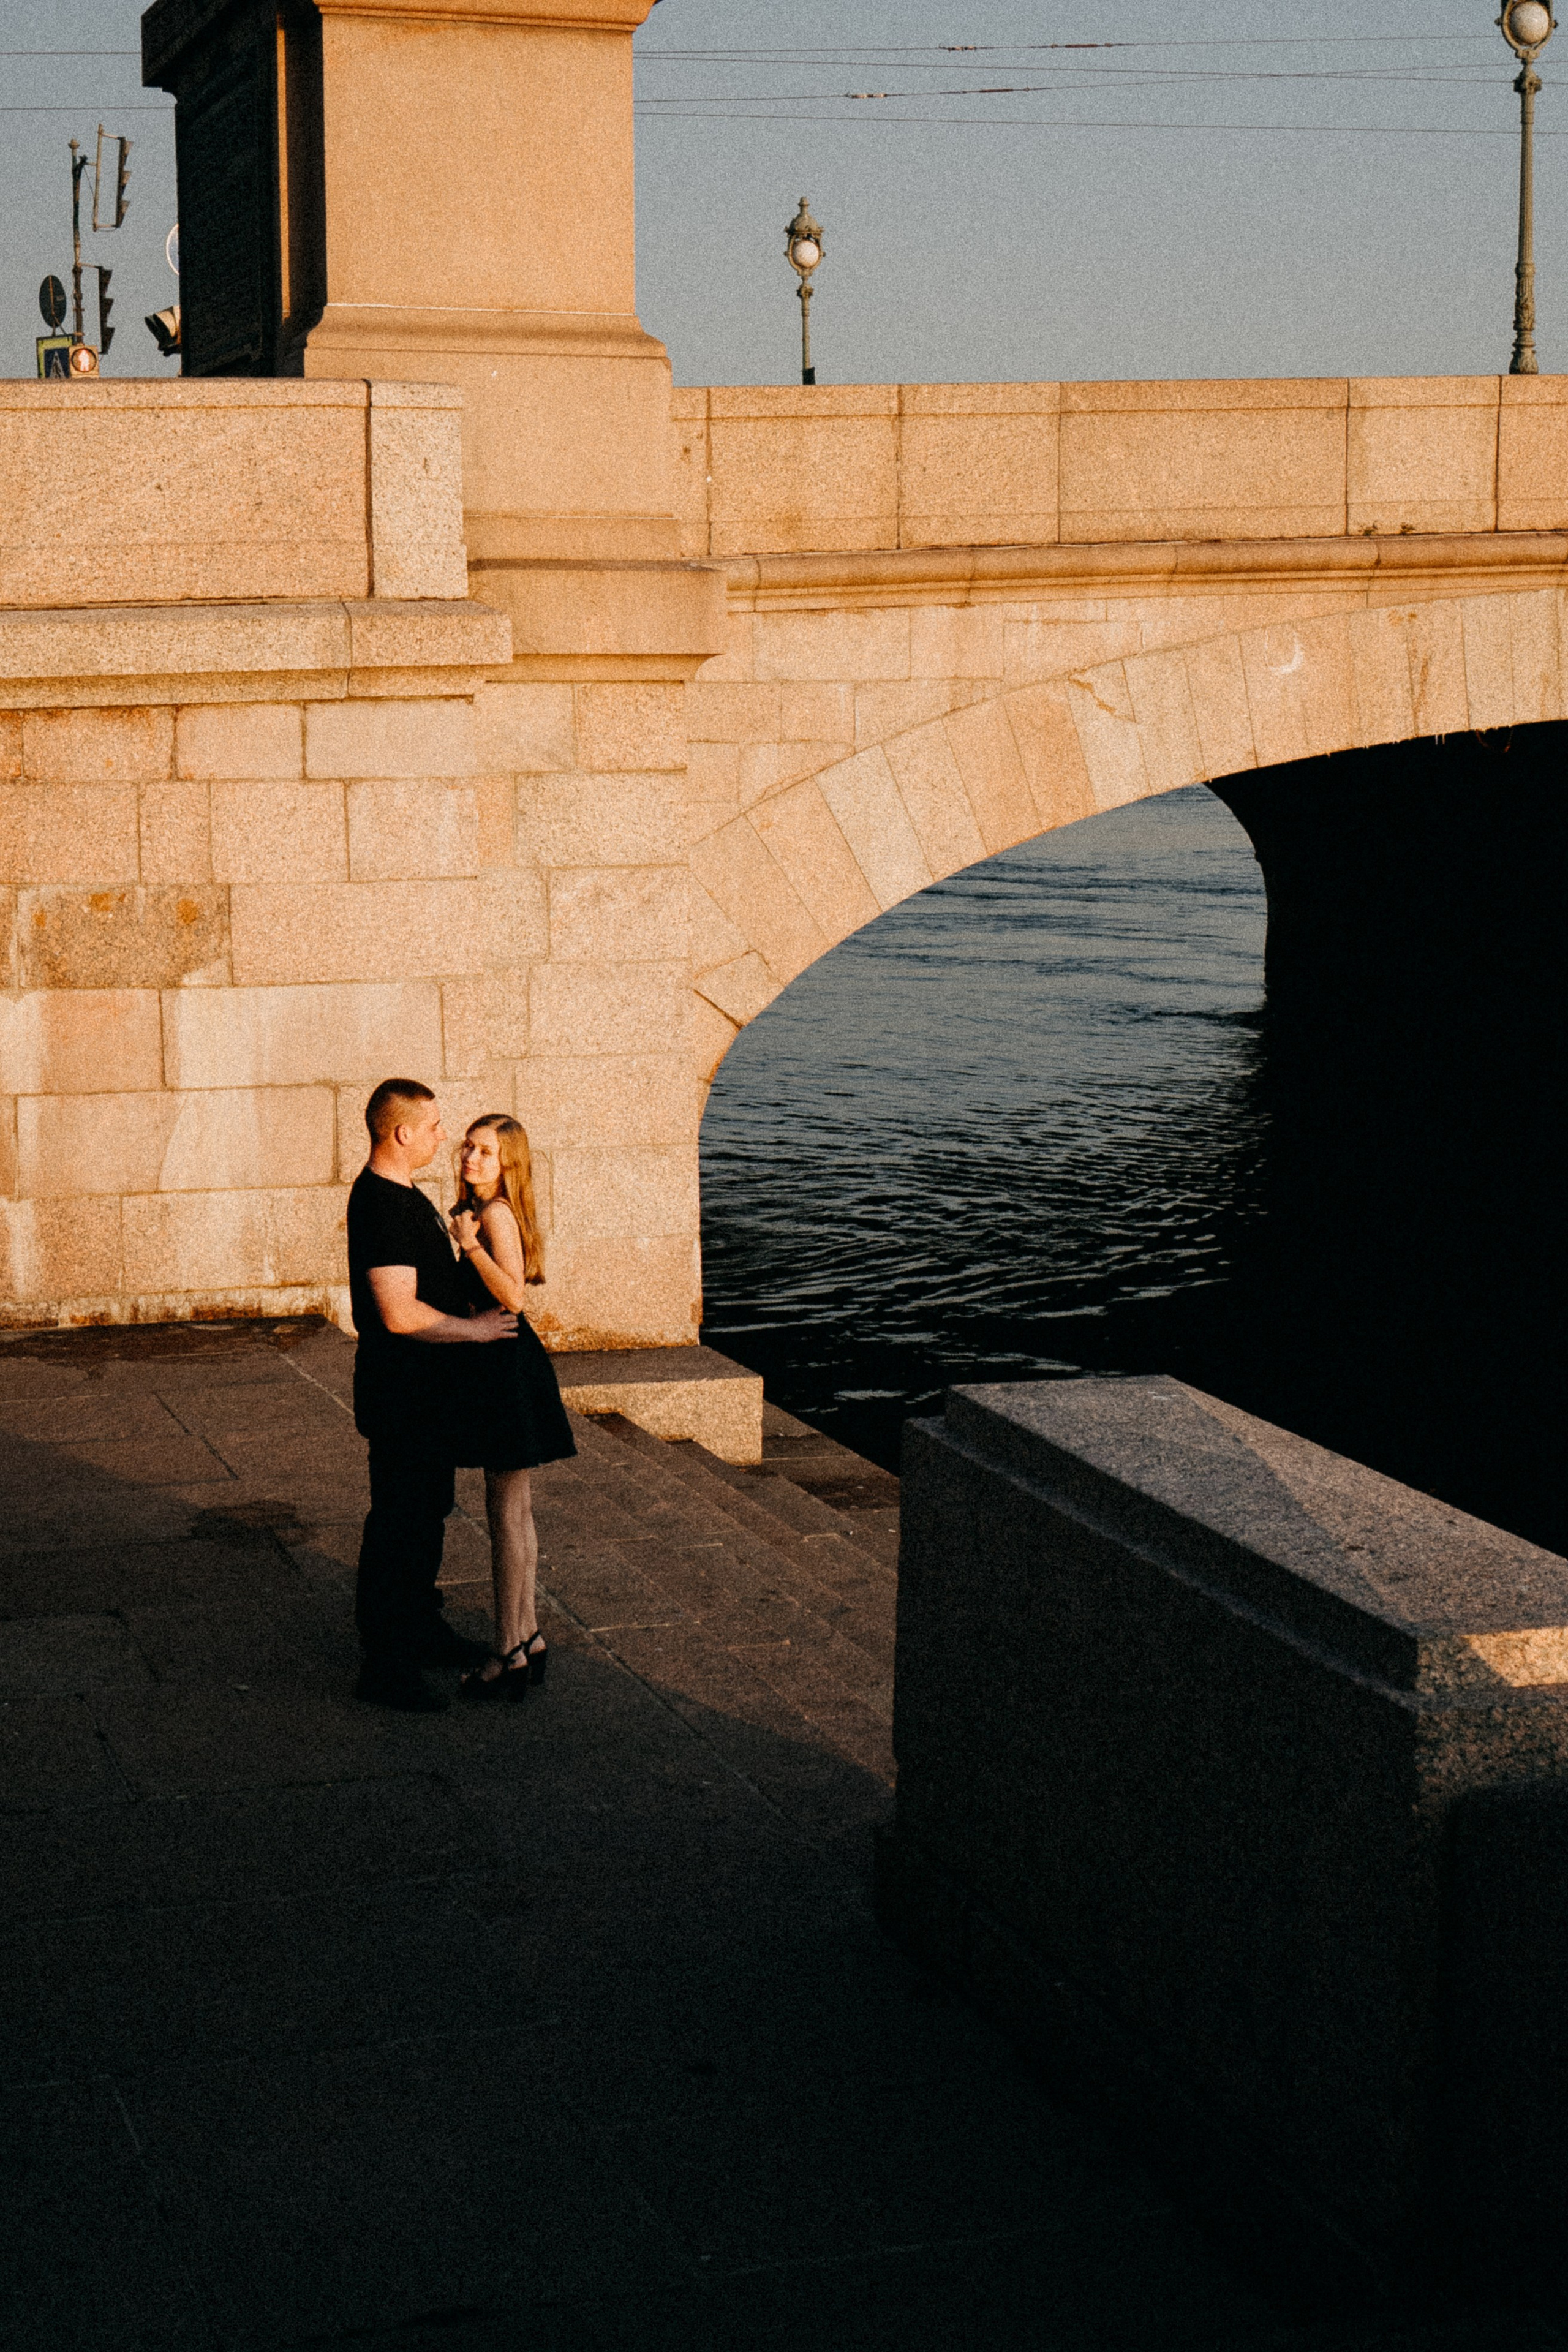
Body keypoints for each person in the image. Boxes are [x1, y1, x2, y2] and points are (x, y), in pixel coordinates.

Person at [348, 1079, 518, 1713]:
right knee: (400, 1524)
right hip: (402, 1395)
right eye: (435, 1127)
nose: (444, 1137)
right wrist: (475, 1330)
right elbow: (397, 1312)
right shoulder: (382, 1206)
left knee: (425, 1515)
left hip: (423, 1394)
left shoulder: (401, 1195)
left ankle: (420, 1630)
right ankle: (386, 1665)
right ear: (401, 1134)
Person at [447, 1114, 577, 1702]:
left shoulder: (494, 1215)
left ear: (508, 1165)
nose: (470, 1159)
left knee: (504, 1514)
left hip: (501, 1364)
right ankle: (527, 1636)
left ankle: (507, 1653)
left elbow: (514, 1296)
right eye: (469, 1147)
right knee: (516, 1510)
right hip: (508, 1365)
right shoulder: (493, 1208)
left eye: (485, 1152)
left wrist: (469, 1247)